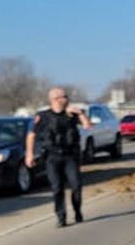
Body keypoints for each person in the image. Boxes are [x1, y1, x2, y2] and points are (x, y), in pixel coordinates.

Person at [25, 87, 91, 227]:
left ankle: (77, 210)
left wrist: (80, 114)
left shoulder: (72, 114)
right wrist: (29, 154)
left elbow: (88, 127)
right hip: (52, 157)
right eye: (64, 97)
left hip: (70, 156)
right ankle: (61, 217)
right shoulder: (42, 116)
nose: (66, 99)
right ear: (55, 99)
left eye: (66, 96)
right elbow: (31, 135)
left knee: (76, 186)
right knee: (57, 188)